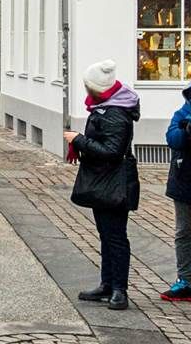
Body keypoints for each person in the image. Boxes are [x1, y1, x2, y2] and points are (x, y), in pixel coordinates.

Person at [68, 60, 141, 311]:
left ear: (97, 89)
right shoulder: (105, 108)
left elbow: (111, 151)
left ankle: (119, 289)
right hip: (105, 180)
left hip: (114, 182)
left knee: (116, 236)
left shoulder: (116, 114)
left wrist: (79, 140)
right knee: (106, 235)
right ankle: (107, 284)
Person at [165, 80, 190, 302]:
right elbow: (171, 138)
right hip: (184, 182)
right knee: (183, 232)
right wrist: (186, 128)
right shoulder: (183, 113)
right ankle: (185, 280)